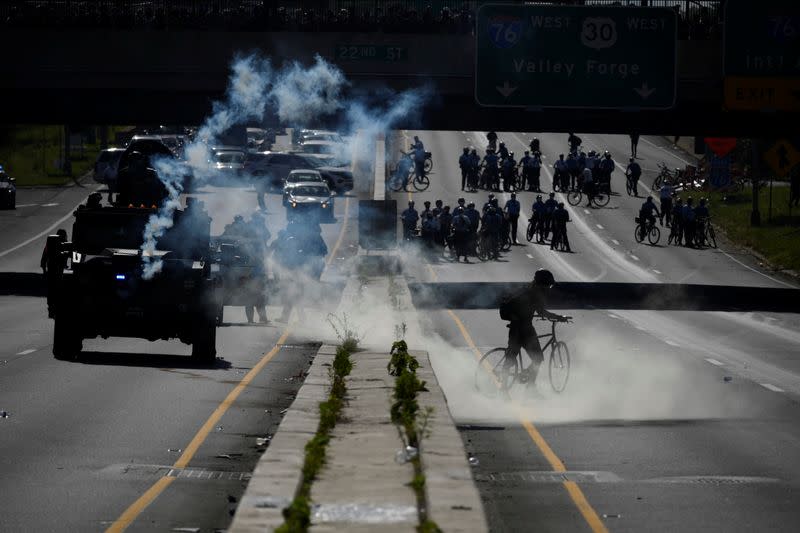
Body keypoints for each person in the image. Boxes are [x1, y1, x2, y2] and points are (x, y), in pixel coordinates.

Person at [498, 269, 570, 386]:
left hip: (523, 328)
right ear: (542, 283)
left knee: (525, 359)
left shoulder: (529, 290)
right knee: (526, 359)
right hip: (521, 330)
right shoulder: (535, 294)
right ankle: (507, 389)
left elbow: (536, 310)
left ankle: (524, 386)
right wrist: (559, 317)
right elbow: (541, 312)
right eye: (547, 285)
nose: (548, 288)